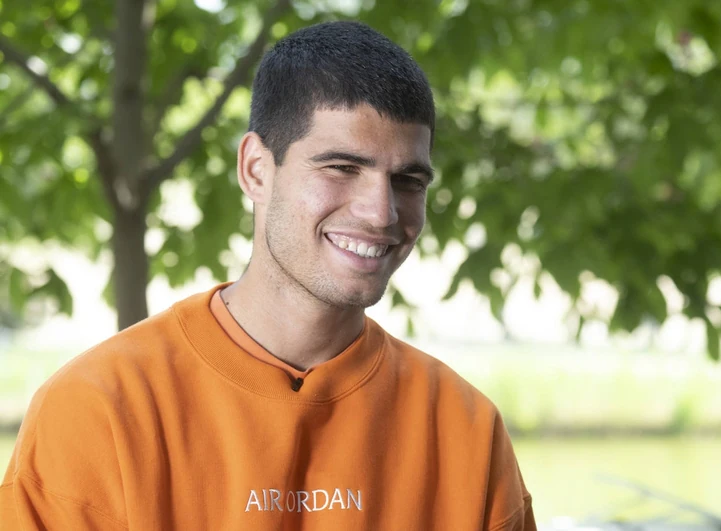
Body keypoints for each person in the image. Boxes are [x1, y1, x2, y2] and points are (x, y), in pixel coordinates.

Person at [0, 21, 536, 530]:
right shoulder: (98, 411)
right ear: (256, 168)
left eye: (408, 180)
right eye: (342, 167)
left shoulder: (465, 430)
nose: (381, 212)